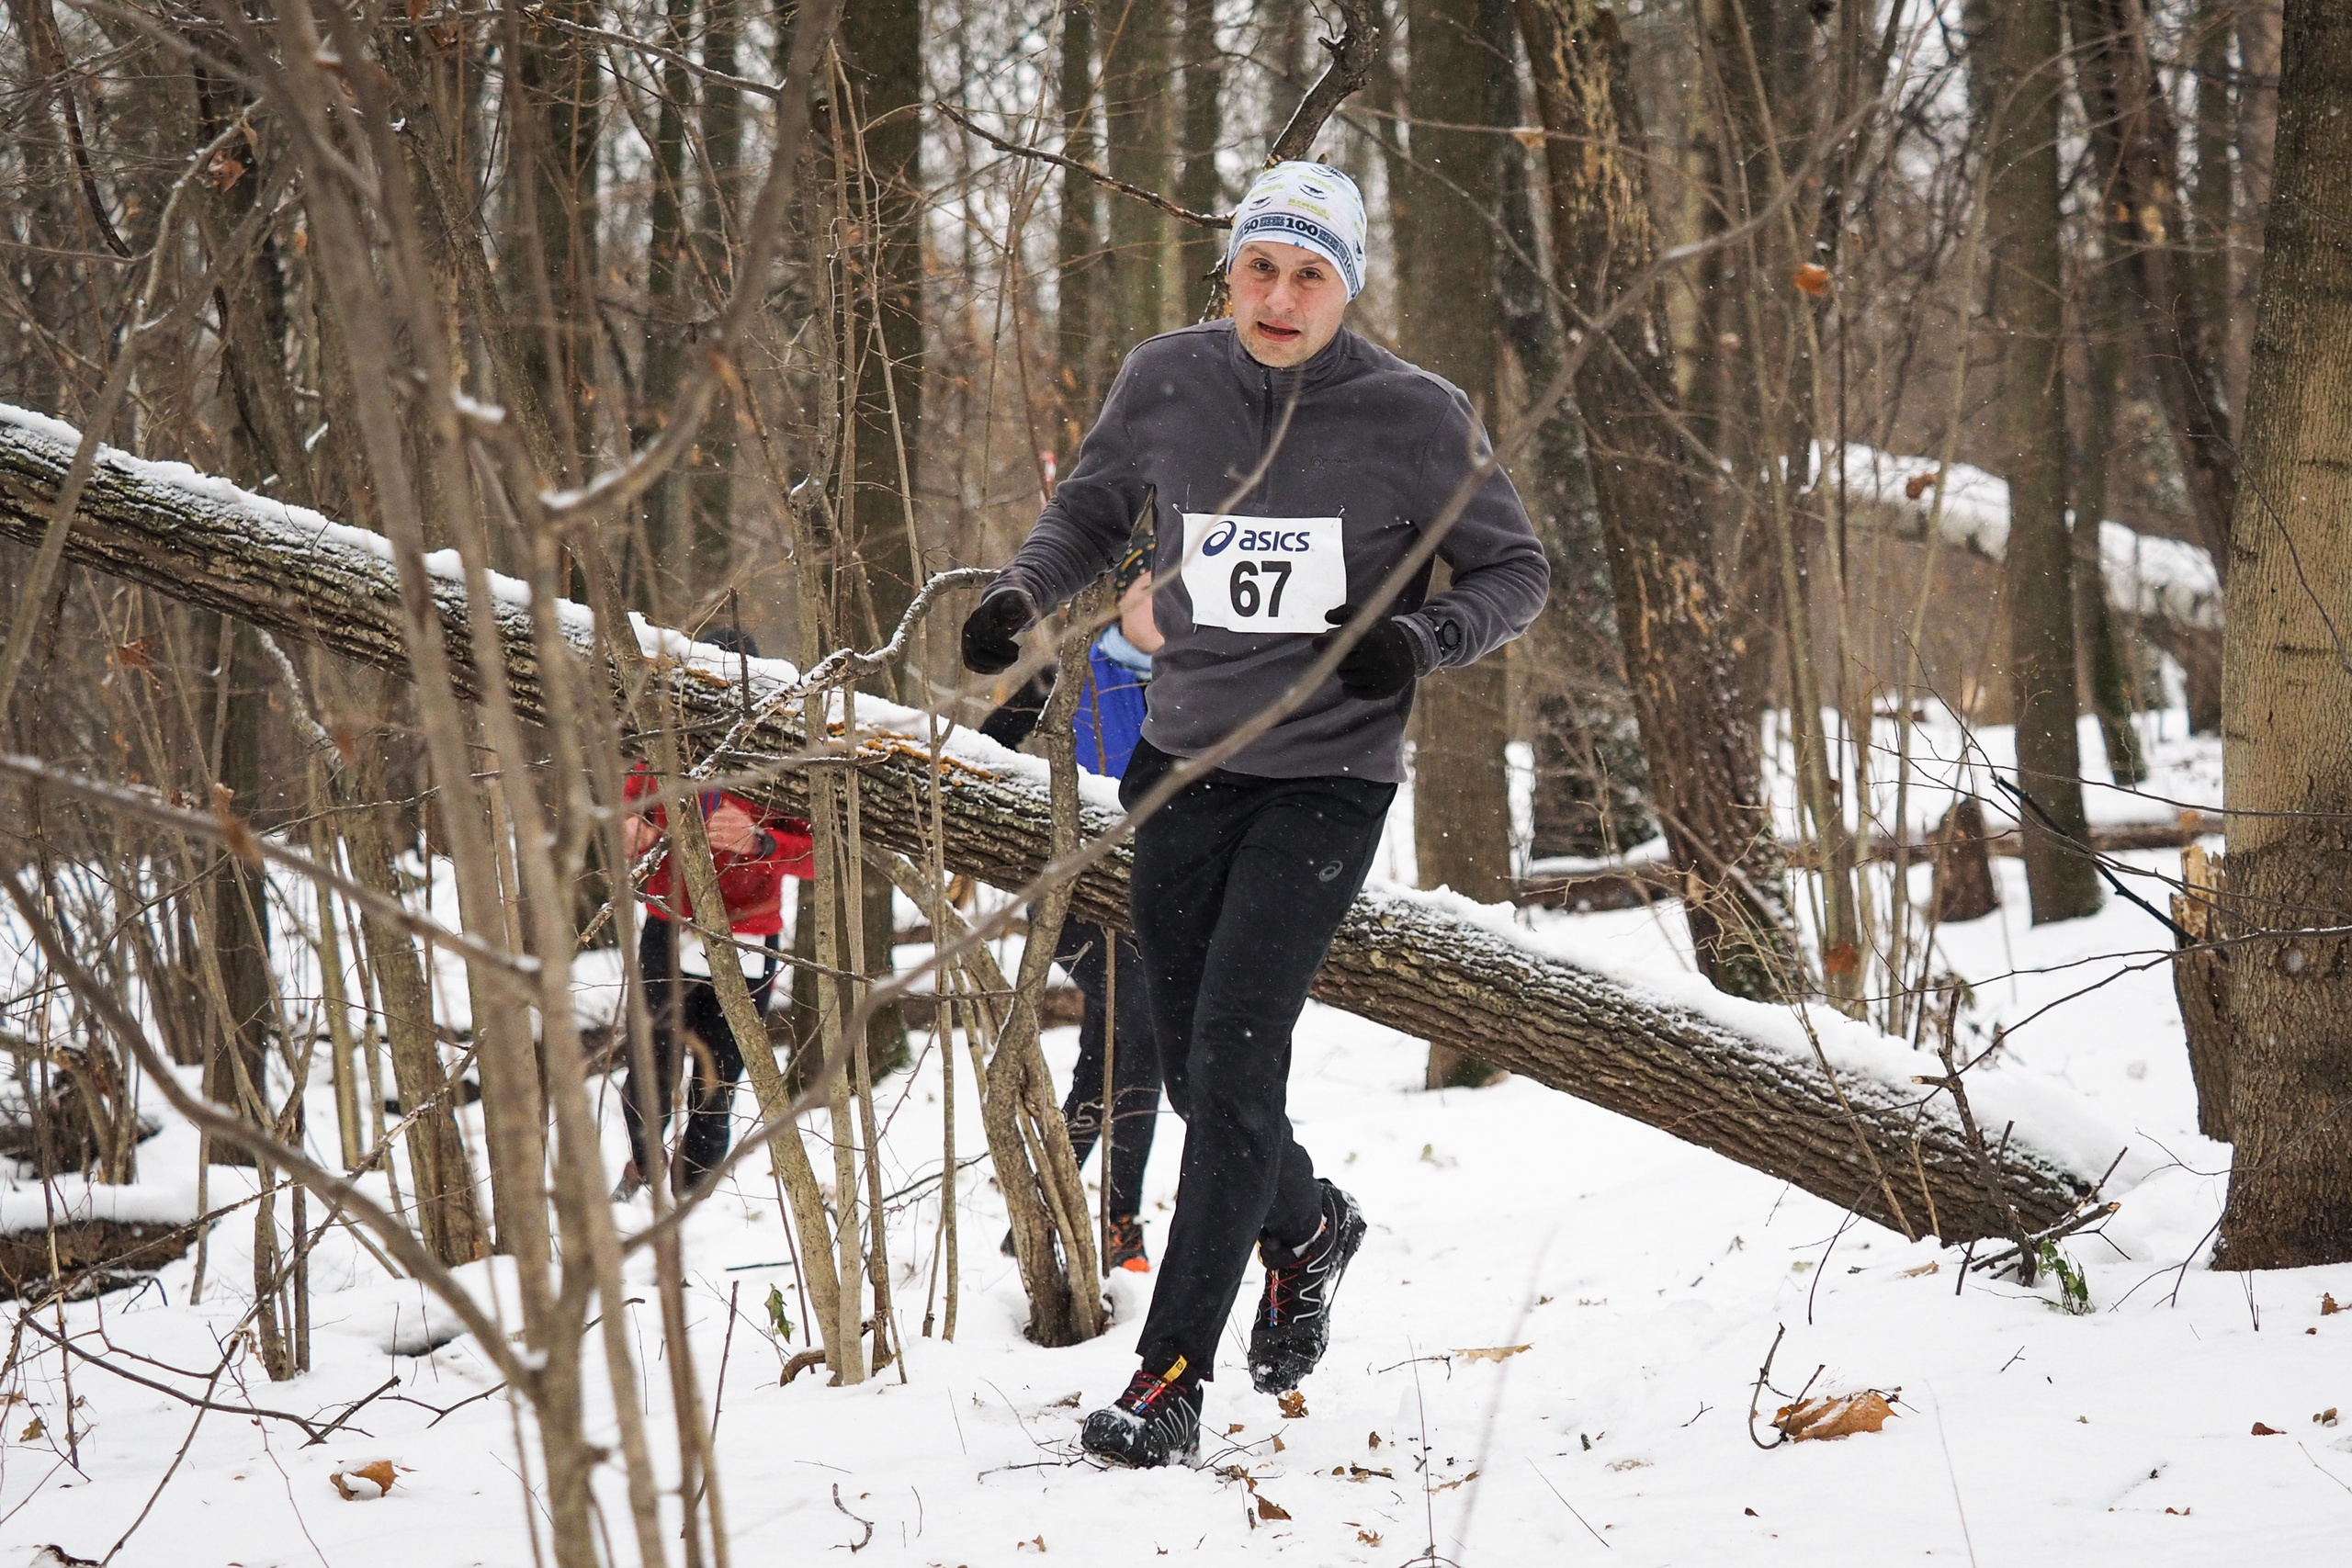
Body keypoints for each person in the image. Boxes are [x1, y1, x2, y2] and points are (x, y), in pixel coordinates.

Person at [960, 162, 1548, 1467]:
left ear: (1348, 286)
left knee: (1231, 1059)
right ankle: (1310, 1226)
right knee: (1188, 1066)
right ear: (1230, 273)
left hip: (1329, 773)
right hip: (1180, 762)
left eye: (1311, 274)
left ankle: (1170, 1374)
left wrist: (1426, 635)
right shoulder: (1168, 378)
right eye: (1261, 270)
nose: (1281, 298)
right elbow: (1093, 505)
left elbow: (1515, 566)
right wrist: (1023, 597)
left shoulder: (1416, 414)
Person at [979, 558, 1165, 1271]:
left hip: (1158, 898)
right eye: (1152, 594)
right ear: (1118, 601)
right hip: (1075, 898)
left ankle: (1045, 1205)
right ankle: (1117, 1221)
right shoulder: (1070, 677)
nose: (1166, 609)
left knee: (1112, 1049)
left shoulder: (1199, 682)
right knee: (1139, 1032)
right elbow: (984, 751)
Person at [613, 629, 817, 1200]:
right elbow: (629, 813)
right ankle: (642, 1171)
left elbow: (820, 852)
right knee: (651, 1068)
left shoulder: (782, 758)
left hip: (750, 936)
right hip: (668, 926)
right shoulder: (666, 747)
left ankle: (689, 1198)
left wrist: (761, 843)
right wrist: (633, 828)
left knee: (718, 1083)